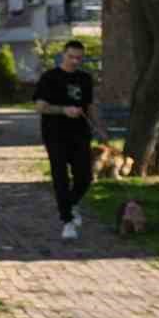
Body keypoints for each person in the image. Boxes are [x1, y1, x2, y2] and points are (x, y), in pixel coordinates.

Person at [32, 39, 103, 239]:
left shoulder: (85, 79)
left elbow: (89, 106)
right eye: (71, 57)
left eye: (78, 58)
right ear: (63, 55)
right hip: (55, 134)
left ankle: (71, 205)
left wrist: (99, 127)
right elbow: (40, 106)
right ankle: (67, 221)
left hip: (80, 134)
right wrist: (64, 110)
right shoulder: (50, 77)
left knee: (85, 177)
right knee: (60, 178)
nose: (74, 61)